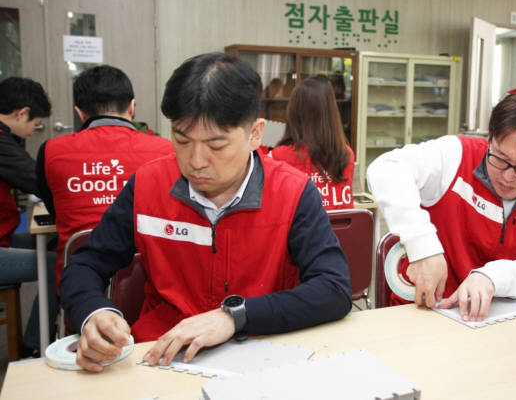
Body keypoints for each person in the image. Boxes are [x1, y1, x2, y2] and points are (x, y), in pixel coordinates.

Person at [60, 53, 352, 372]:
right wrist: (95, 312)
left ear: (255, 133)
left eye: (216, 146)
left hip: (262, 354)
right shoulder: (147, 185)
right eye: (182, 140)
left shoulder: (292, 192)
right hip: (162, 355)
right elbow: (86, 263)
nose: (196, 161)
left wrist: (234, 316)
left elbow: (333, 289)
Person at [367, 92, 516, 321]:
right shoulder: (456, 154)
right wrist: (421, 245)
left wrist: (492, 277)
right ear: (490, 138)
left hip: (496, 321)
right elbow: (385, 169)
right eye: (500, 158)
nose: (507, 176)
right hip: (424, 313)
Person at [36, 65, 174, 288]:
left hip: (80, 286)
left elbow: (56, 211)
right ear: (132, 107)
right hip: (150, 286)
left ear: (79, 112)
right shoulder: (166, 149)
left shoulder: (51, 150)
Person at [0, 76, 57, 356]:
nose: (31, 131)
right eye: (33, 125)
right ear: (21, 112)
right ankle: (34, 346)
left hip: (5, 234)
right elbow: (37, 180)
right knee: (57, 264)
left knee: (45, 242)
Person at [271, 75, 354, 211]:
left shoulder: (280, 156)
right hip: (339, 233)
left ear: (293, 111)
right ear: (332, 113)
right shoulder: (346, 154)